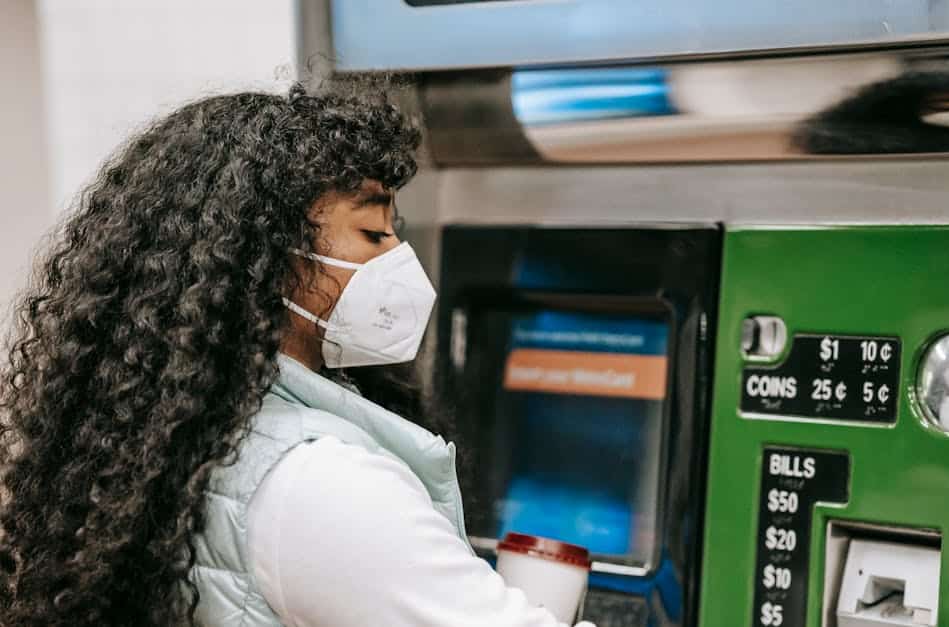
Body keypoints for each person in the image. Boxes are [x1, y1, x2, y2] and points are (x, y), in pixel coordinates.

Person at [0, 84, 594, 627]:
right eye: (373, 233)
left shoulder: (190, 437)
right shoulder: (321, 479)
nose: (399, 258)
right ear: (267, 256)